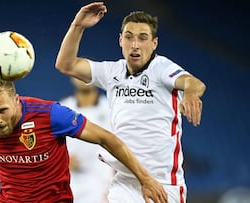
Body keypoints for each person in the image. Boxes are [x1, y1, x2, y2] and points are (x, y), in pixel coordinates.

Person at [55, 2, 206, 203]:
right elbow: (66, 64)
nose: (135, 44)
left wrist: (190, 94)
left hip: (163, 184)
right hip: (124, 182)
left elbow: (193, 82)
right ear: (120, 40)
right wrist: (77, 26)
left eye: (143, 38)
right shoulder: (111, 73)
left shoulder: (161, 69)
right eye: (129, 37)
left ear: (154, 43)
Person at [0, 73, 167, 203]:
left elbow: (106, 138)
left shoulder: (51, 115)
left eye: (3, 110)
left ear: (16, 99)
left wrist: (145, 178)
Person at [60, 77, 114, 203]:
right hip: (71, 179)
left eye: (86, 74)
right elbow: (52, 141)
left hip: (101, 179)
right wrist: (63, 159)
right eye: (78, 74)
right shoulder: (64, 108)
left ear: (96, 78)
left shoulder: (110, 108)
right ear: (72, 79)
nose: (82, 78)